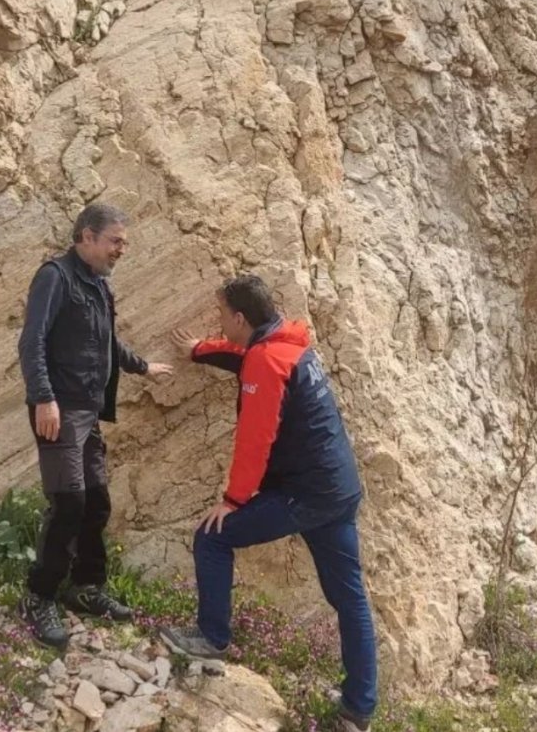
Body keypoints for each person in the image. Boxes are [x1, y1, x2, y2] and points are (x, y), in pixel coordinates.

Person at [160, 275, 378, 732]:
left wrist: (233, 500)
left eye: (222, 315)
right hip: (338, 488)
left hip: (306, 495)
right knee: (350, 598)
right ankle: (358, 711)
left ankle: (212, 637)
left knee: (212, 537)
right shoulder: (289, 343)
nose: (219, 321)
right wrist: (201, 349)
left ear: (240, 317)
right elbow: (247, 358)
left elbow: (256, 438)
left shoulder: (266, 359)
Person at [16, 203, 172, 649]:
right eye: (115, 241)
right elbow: (32, 341)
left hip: (88, 412)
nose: (121, 250)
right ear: (86, 236)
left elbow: (104, 339)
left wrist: (142, 367)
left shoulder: (99, 285)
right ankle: (38, 596)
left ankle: (85, 586)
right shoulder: (55, 276)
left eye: (123, 242)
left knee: (97, 501)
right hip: (59, 411)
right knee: (68, 503)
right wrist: (44, 398)